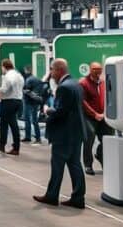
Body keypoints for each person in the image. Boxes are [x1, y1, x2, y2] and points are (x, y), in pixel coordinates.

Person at [34, 59, 87, 209]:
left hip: (64, 134)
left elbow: (60, 111)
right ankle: (78, 198)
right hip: (76, 133)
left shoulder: (64, 87)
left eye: (52, 70)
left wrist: (47, 110)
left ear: (59, 70)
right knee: (75, 165)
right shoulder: (76, 84)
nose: (51, 74)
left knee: (57, 166)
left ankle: (52, 196)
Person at [79, 62, 111, 175]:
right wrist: (94, 114)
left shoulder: (103, 82)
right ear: (90, 70)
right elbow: (83, 102)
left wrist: (105, 113)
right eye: (95, 69)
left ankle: (101, 156)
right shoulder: (83, 83)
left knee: (107, 139)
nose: (97, 71)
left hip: (103, 116)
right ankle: (88, 164)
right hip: (89, 117)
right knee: (89, 139)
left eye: (99, 69)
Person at [0, 59, 25, 155]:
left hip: (8, 101)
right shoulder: (19, 75)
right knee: (13, 124)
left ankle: (6, 146)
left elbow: (4, 88)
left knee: (5, 124)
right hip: (18, 101)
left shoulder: (8, 76)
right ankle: (11, 146)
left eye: (2, 67)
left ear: (4, 66)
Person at [22, 68, 49, 144]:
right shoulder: (37, 79)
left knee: (27, 119)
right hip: (36, 102)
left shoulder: (28, 80)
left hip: (28, 102)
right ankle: (38, 137)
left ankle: (28, 137)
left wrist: (24, 92)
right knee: (35, 120)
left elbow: (26, 90)